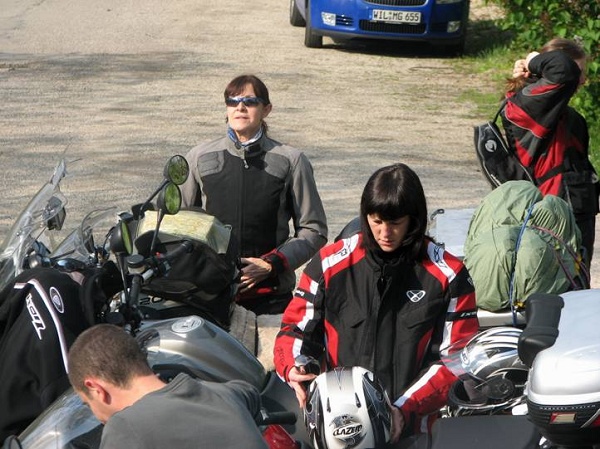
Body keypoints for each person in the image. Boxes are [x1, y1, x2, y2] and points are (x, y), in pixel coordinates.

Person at [272, 163, 479, 442]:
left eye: (395, 223)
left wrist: (402, 409)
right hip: (339, 426)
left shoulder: (449, 274)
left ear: (414, 220)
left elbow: (457, 359)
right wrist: (294, 367)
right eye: (376, 220)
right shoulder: (329, 264)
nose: (384, 233)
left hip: (412, 427)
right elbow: (294, 330)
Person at [180, 74, 328, 315]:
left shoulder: (291, 160)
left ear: (266, 109)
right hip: (208, 298)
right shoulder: (198, 157)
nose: (240, 107)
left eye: (249, 101)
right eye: (232, 101)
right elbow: (179, 223)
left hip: (271, 298)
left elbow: (314, 229)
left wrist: (272, 264)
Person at [67, 323, 268, 449]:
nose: (98, 417)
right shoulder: (224, 394)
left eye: (88, 403)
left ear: (95, 388)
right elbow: (247, 391)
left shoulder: (124, 427)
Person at [501, 37, 599, 268]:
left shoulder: (572, 118)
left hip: (576, 214)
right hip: (549, 215)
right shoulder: (524, 108)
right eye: (579, 72)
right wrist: (533, 59)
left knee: (578, 289)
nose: (583, 79)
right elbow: (562, 70)